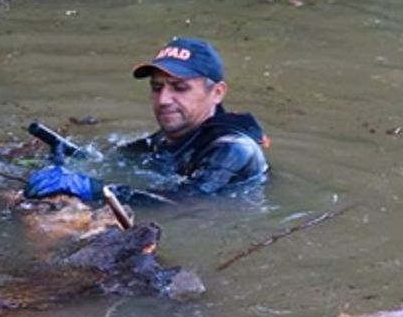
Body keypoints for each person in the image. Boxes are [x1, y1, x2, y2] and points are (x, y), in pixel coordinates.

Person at [22, 37, 269, 204]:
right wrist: (67, 160)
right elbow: (115, 160)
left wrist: (97, 190)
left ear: (217, 93)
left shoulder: (234, 149)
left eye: (179, 88)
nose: (163, 100)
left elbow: (186, 201)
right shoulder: (168, 138)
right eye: (156, 87)